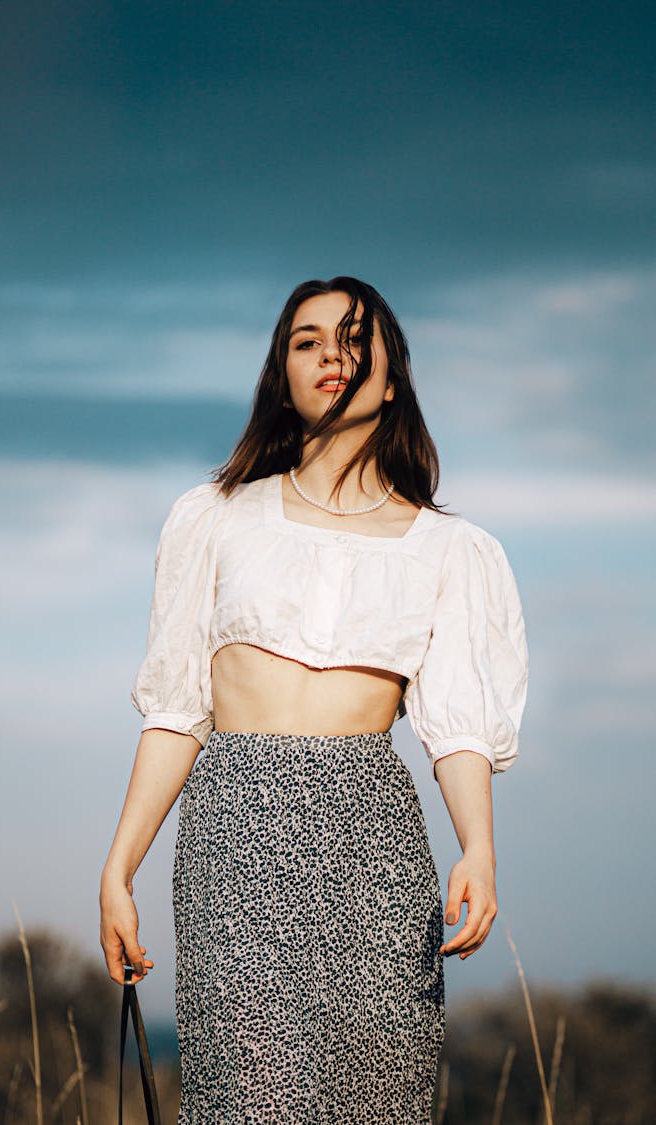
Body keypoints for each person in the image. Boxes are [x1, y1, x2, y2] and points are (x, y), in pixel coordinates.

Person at [99, 276, 529, 1123]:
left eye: (353, 336)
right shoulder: (215, 515)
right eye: (306, 340)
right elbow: (178, 710)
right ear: (282, 375)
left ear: (392, 376)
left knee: (377, 1095)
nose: (331, 353)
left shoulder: (453, 549)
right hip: (238, 826)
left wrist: (478, 847)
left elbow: (459, 727)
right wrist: (120, 866)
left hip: (375, 834)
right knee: (251, 1094)